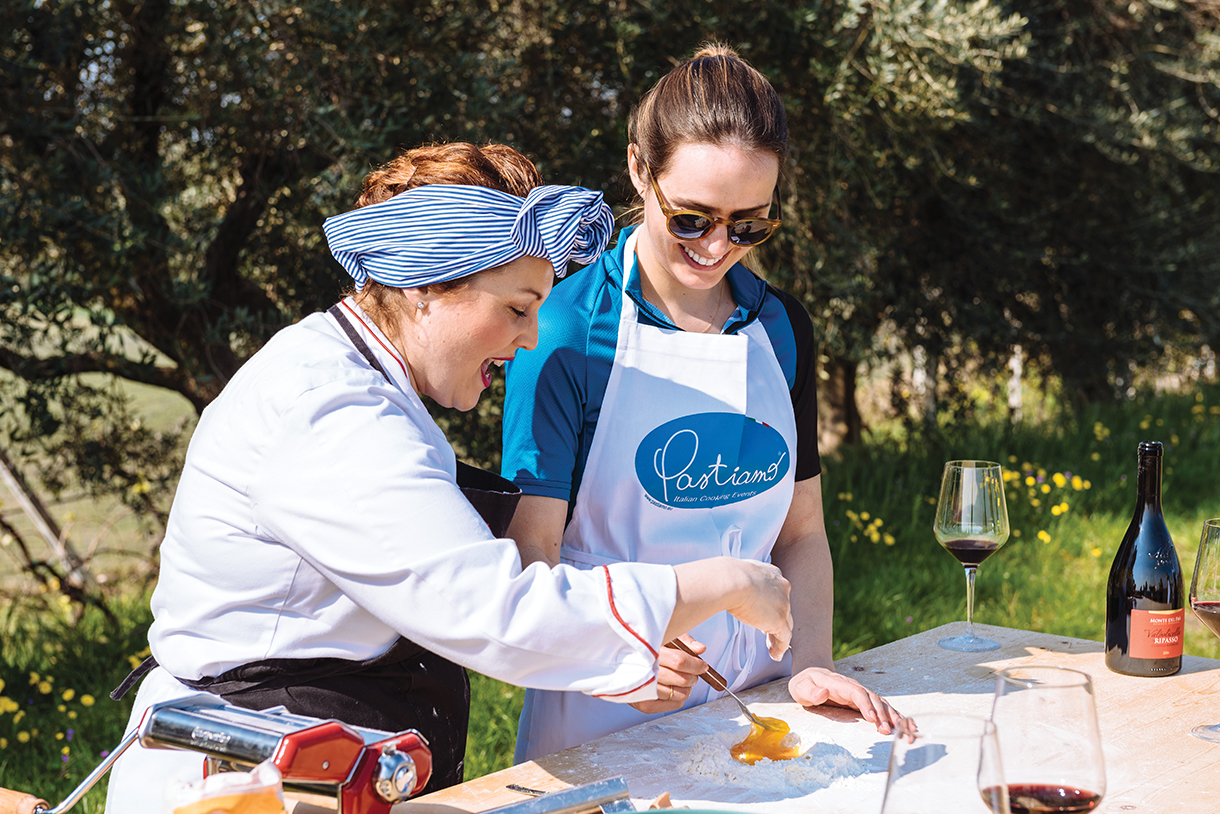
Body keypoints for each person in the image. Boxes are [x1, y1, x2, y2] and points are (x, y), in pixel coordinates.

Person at [104, 142, 794, 811]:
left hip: (314, 765)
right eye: (518, 308)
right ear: (426, 286)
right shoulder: (330, 414)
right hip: (241, 782)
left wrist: (629, 656)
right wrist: (726, 582)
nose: (530, 338)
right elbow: (497, 610)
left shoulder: (365, 381)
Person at [500, 46, 901, 762]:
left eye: (749, 224)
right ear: (637, 170)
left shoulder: (780, 327)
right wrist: (617, 655)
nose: (718, 246)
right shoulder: (564, 331)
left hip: (768, 712)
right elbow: (535, 552)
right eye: (692, 218)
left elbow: (802, 533)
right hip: (604, 718)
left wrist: (813, 661)